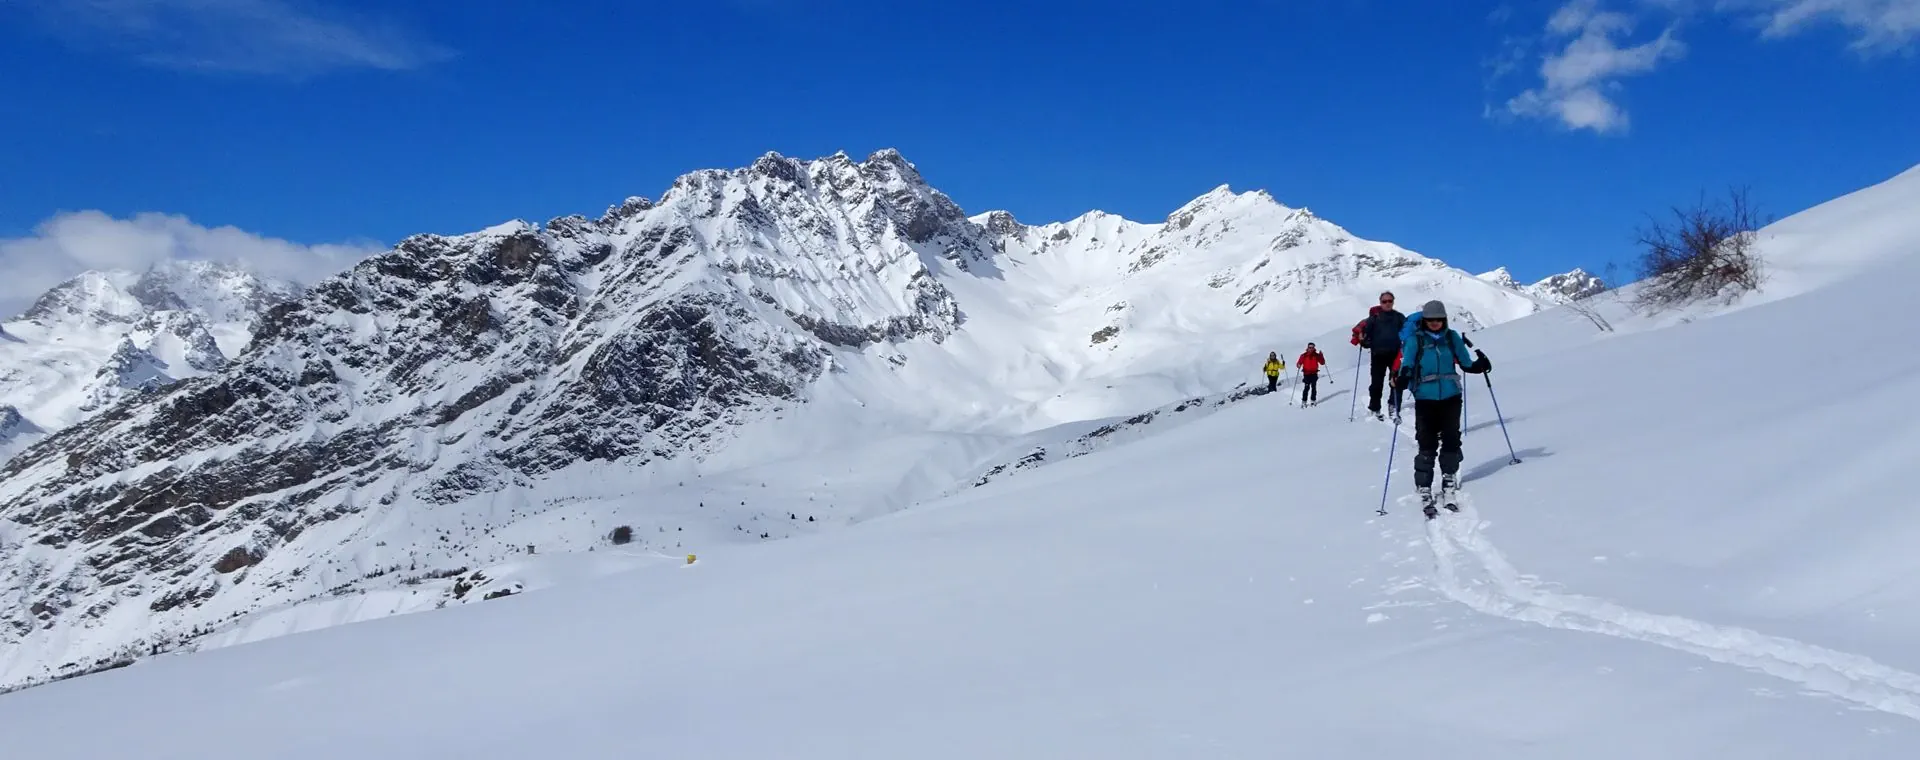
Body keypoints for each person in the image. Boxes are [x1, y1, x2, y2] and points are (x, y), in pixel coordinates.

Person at [1394, 300, 1492, 516]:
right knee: (1426, 441)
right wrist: (1402, 377)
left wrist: (1478, 366)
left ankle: (1449, 477)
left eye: (1439, 319)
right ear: (1425, 321)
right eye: (1431, 320)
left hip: (1451, 395)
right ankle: (1424, 484)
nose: (1435, 323)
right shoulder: (1415, 340)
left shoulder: (1452, 337)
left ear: (1444, 319)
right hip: (1425, 397)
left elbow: (1465, 363)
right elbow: (1408, 363)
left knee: (1451, 438)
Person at [1357, 291, 1406, 418]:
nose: (1387, 303)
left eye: (1390, 301)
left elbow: (1407, 332)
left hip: (1395, 354)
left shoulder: (1399, 317)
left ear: (1393, 302)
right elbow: (1366, 335)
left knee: (1395, 381)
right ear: (1380, 302)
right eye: (1385, 301)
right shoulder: (1374, 318)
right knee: (1376, 383)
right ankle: (1374, 407)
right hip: (1378, 355)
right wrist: (1363, 341)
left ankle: (1393, 406)